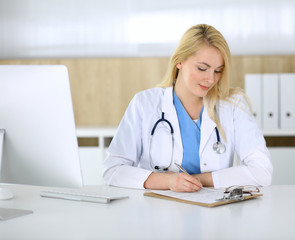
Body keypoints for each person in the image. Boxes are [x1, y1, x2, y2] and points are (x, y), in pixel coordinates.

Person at [103, 24, 273, 192]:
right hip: (158, 212)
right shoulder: (144, 104)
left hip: (215, 214)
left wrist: (194, 181)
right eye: (202, 68)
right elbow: (112, 170)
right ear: (179, 62)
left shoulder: (233, 106)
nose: (210, 79)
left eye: (218, 71)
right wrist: (167, 181)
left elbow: (262, 171)